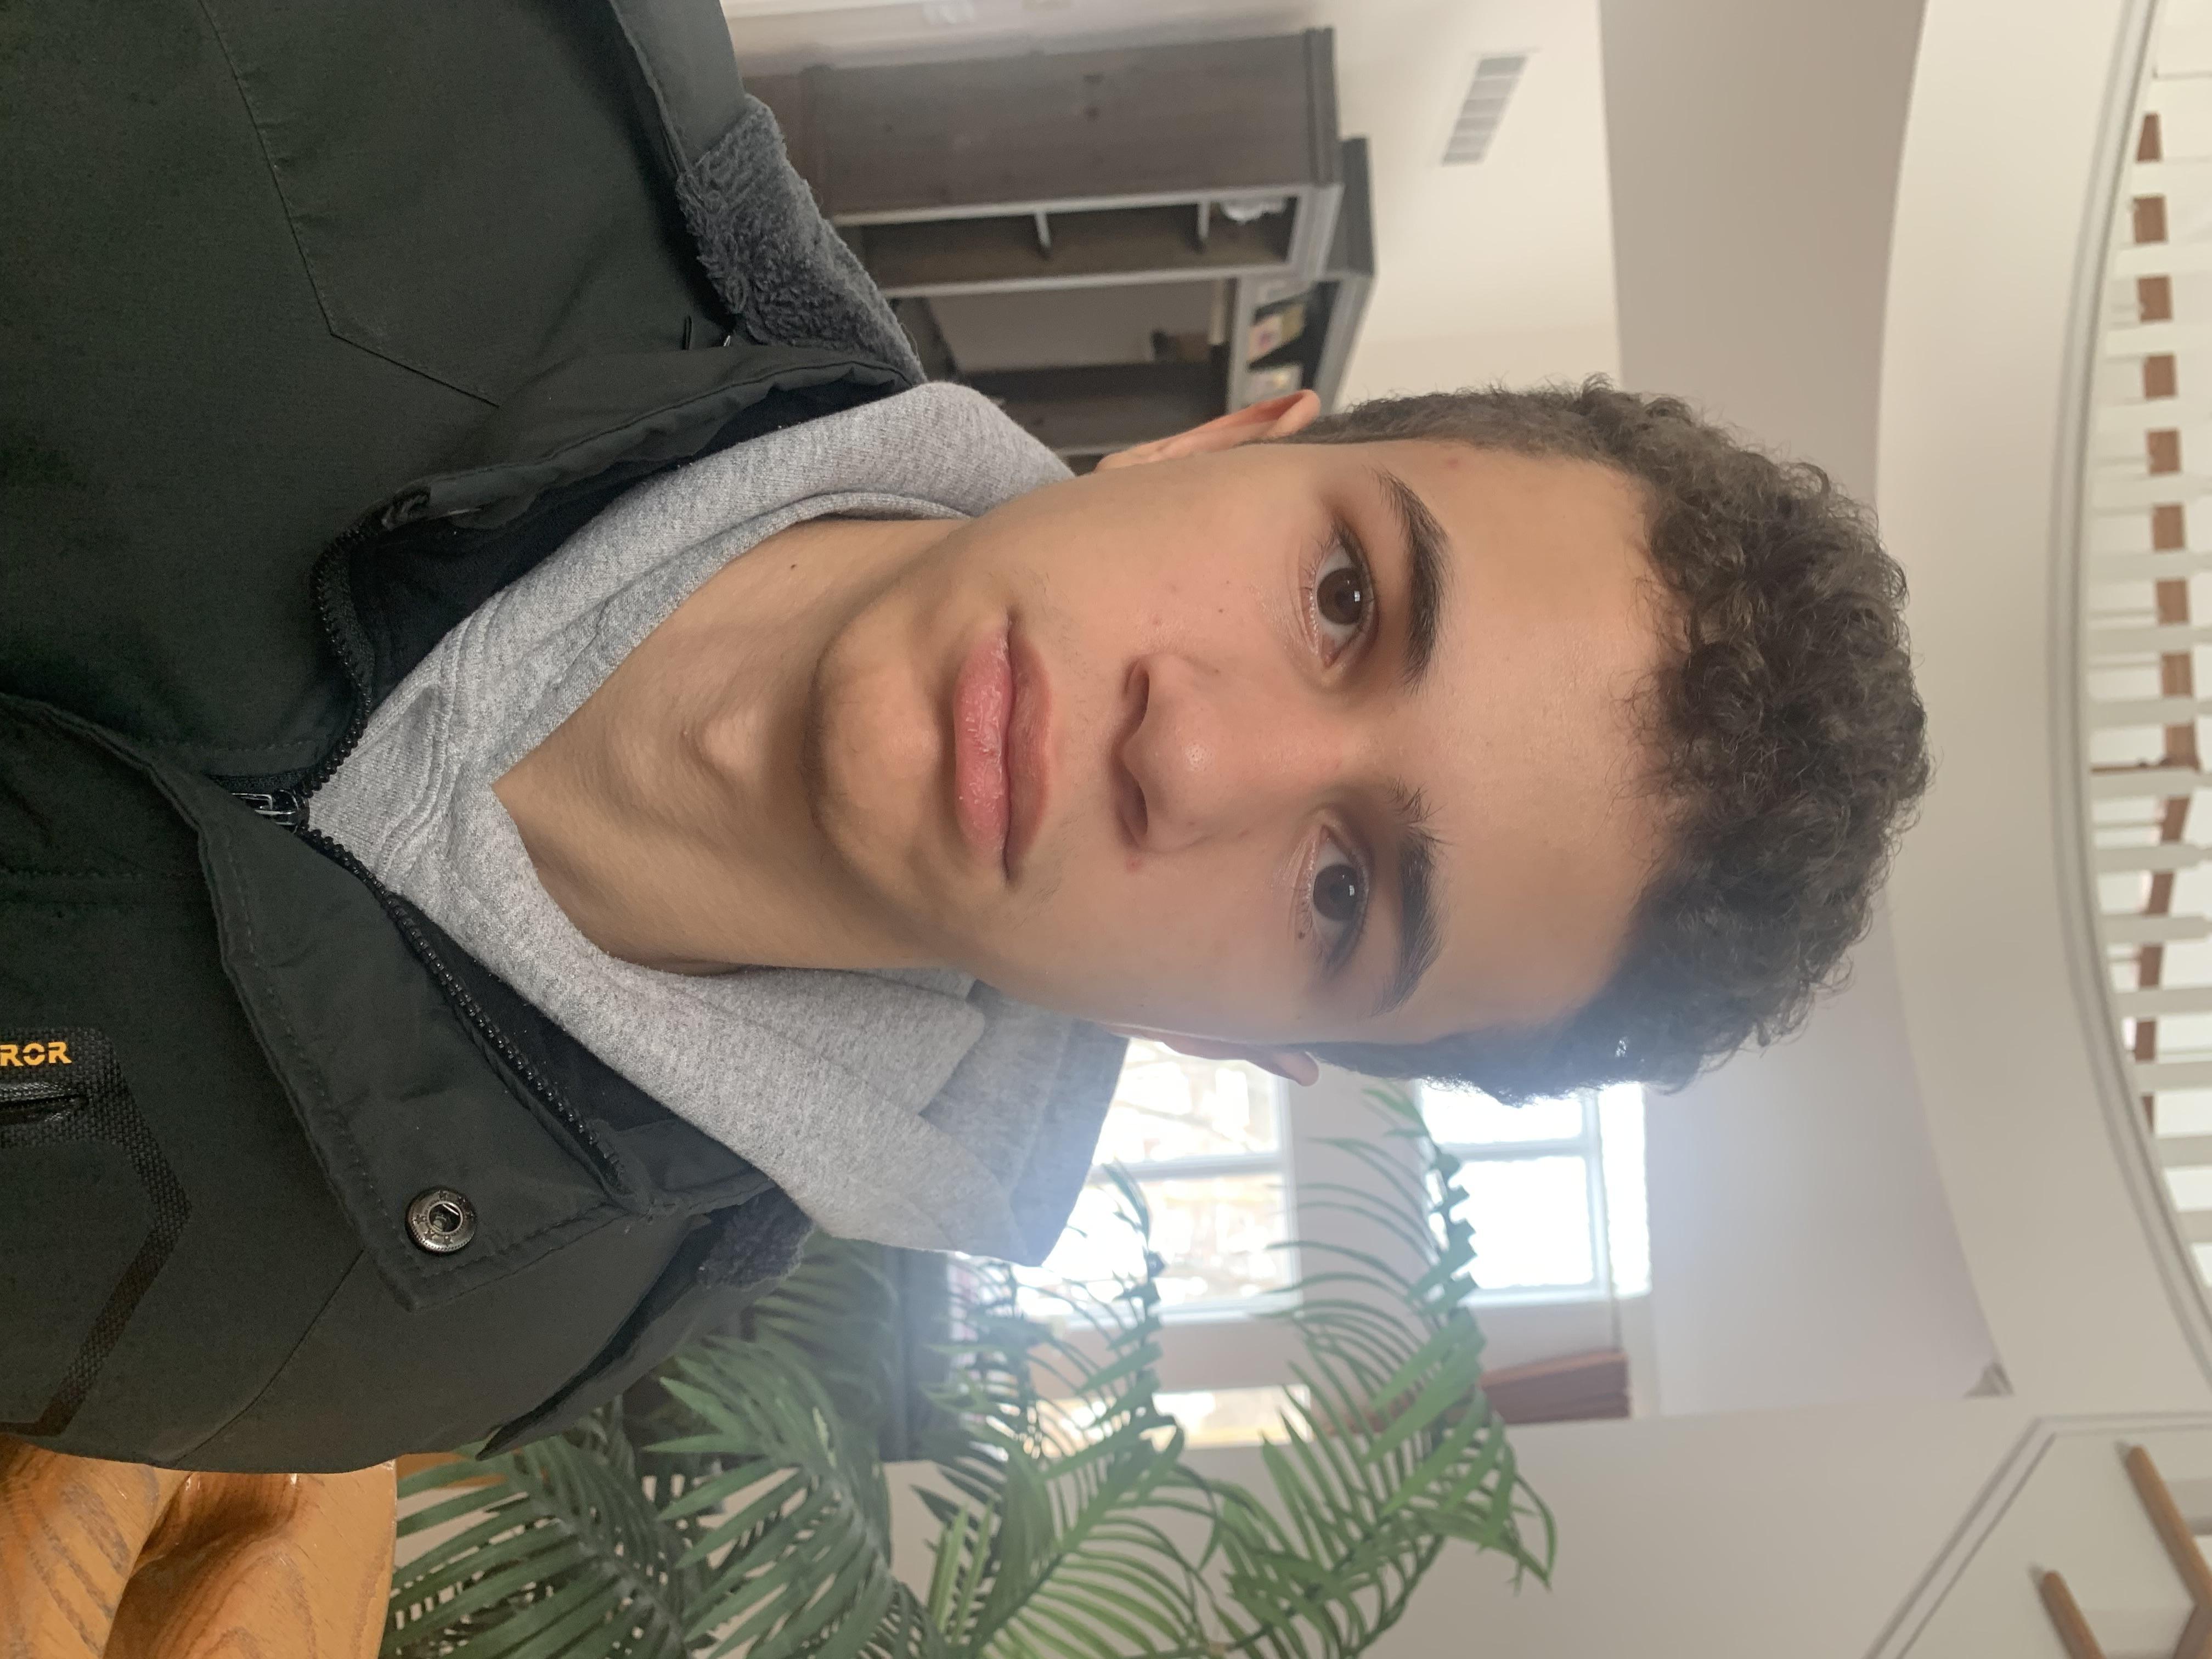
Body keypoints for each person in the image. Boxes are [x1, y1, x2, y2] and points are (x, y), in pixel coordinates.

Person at [0, 0, 1927, 1473]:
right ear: (1220, 442)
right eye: (1346, 596)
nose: (1194, 761)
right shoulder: (492, 61)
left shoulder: (497, 1335)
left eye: (1345, 894)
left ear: (1240, 1045)